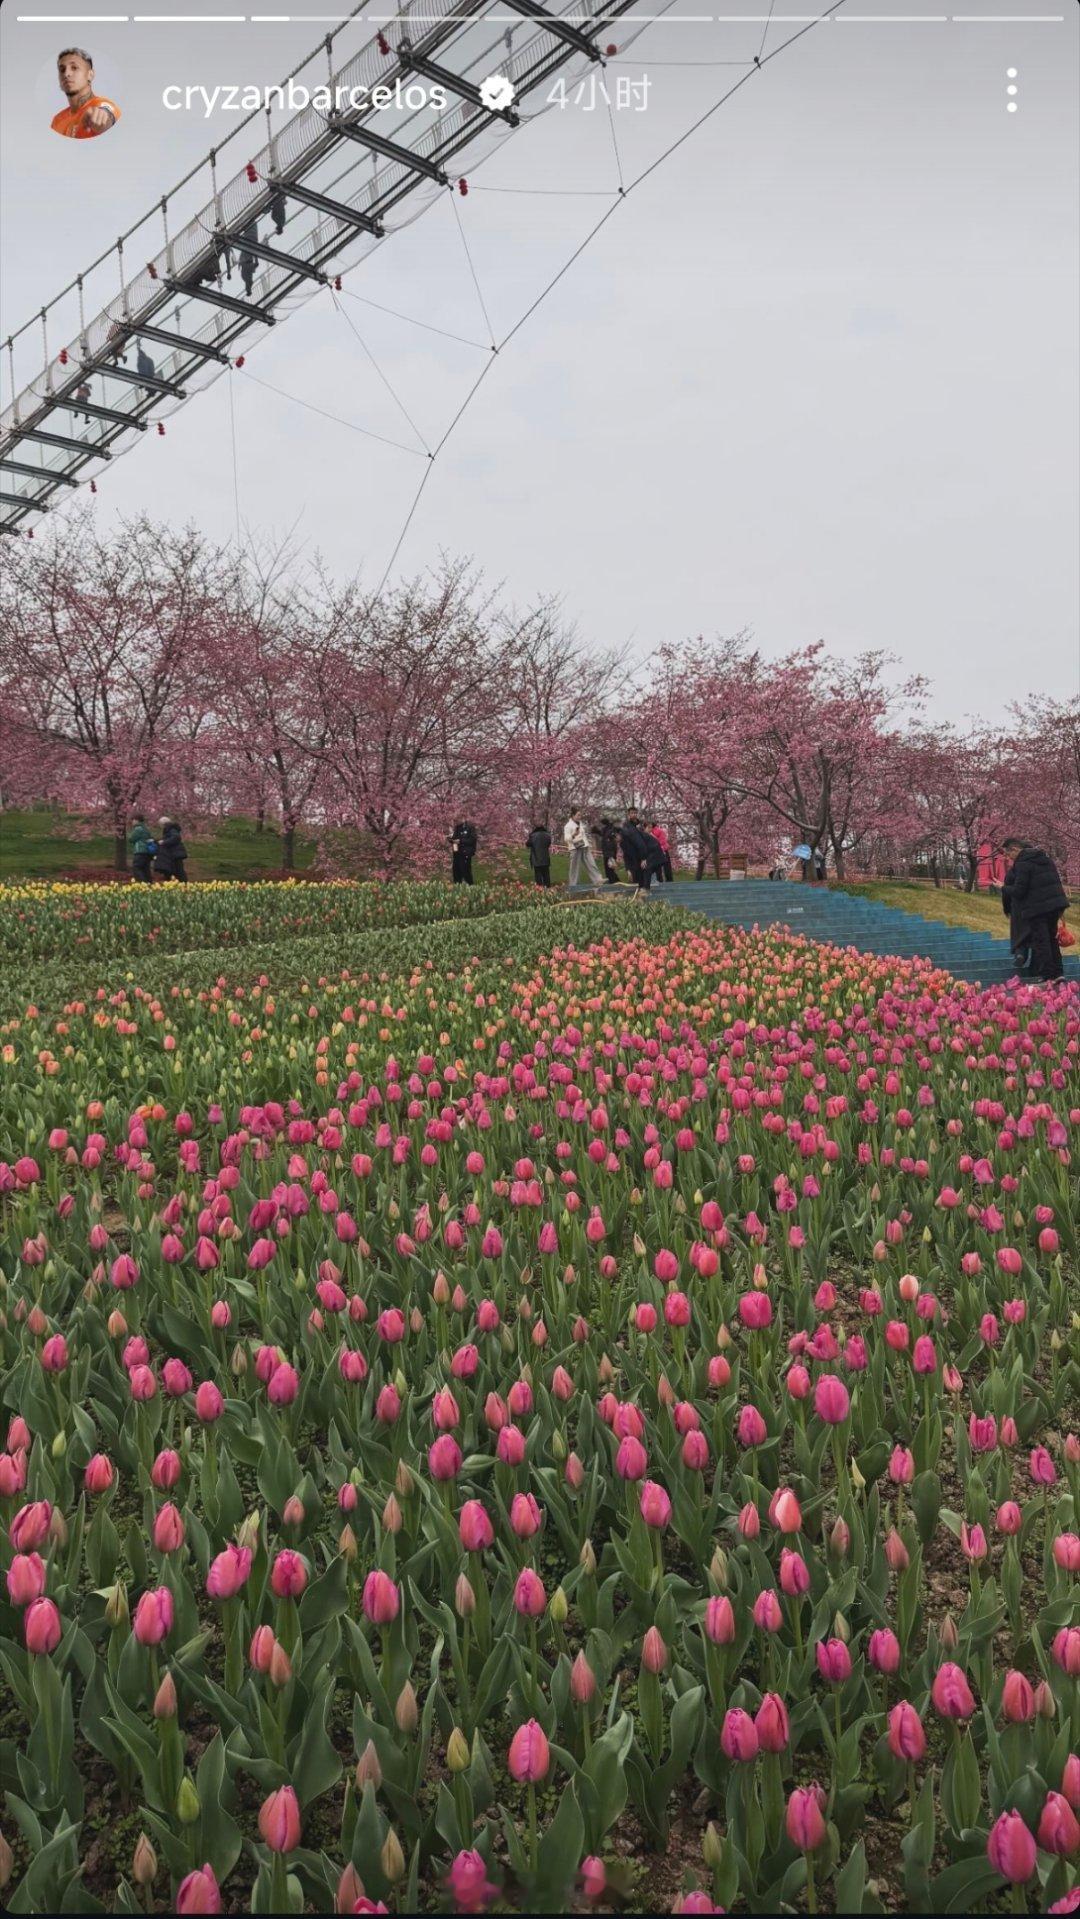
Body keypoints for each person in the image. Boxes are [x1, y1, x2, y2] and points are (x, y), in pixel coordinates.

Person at [1001, 837, 1067, 981]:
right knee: (1052, 940)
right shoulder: (1045, 859)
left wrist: (1003, 887)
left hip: (1037, 909)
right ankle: (1059, 973)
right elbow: (1056, 883)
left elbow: (1019, 891)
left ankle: (1048, 975)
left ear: (1015, 849)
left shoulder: (1023, 863)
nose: (1008, 858)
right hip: (1054, 906)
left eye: (1007, 854)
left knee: (1041, 942)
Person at [51, 48, 121, 138]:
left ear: (90, 75)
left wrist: (103, 119)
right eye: (62, 69)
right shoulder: (57, 120)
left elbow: (108, 112)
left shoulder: (101, 104)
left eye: (74, 68)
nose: (66, 73)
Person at [563, 808, 603, 889]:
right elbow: (566, 838)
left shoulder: (580, 824)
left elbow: (584, 835)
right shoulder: (568, 826)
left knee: (591, 863)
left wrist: (589, 844)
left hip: (585, 846)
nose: (579, 817)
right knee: (574, 867)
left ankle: (598, 880)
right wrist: (573, 834)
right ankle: (573, 885)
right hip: (575, 848)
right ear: (573, 816)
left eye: (580, 815)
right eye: (578, 815)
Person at [153, 817, 188, 882]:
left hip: (175, 853)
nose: (160, 827)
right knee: (176, 870)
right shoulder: (170, 829)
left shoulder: (171, 829)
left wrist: (164, 842)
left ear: (163, 824)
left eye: (160, 825)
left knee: (179, 870)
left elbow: (176, 837)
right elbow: (168, 838)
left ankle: (184, 884)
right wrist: (155, 841)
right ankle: (181, 883)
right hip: (175, 853)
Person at [128, 815, 155, 883]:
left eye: (133, 820)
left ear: (137, 820)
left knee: (137, 867)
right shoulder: (146, 829)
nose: (132, 822)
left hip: (140, 851)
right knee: (146, 869)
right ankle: (149, 883)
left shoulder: (138, 829)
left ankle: (142, 883)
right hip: (147, 852)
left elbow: (131, 839)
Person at [450, 820, 477, 884]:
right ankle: (457, 887)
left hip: (465, 854)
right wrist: (451, 840)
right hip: (457, 854)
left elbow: (472, 840)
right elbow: (454, 839)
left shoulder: (470, 827)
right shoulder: (458, 828)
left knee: (466, 872)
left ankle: (470, 886)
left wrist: (460, 841)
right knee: (456, 872)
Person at [525, 823, 552, 887]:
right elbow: (549, 844)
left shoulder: (533, 835)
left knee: (538, 875)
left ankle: (539, 888)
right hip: (545, 858)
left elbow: (527, 844)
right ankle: (548, 888)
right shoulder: (548, 835)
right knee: (546, 874)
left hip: (536, 858)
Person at [595, 817, 620, 884]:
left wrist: (611, 855)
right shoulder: (605, 829)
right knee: (608, 868)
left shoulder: (611, 829)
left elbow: (610, 839)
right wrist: (597, 831)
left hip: (610, 853)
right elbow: (603, 835)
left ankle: (614, 881)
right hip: (606, 852)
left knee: (610, 868)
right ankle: (613, 880)